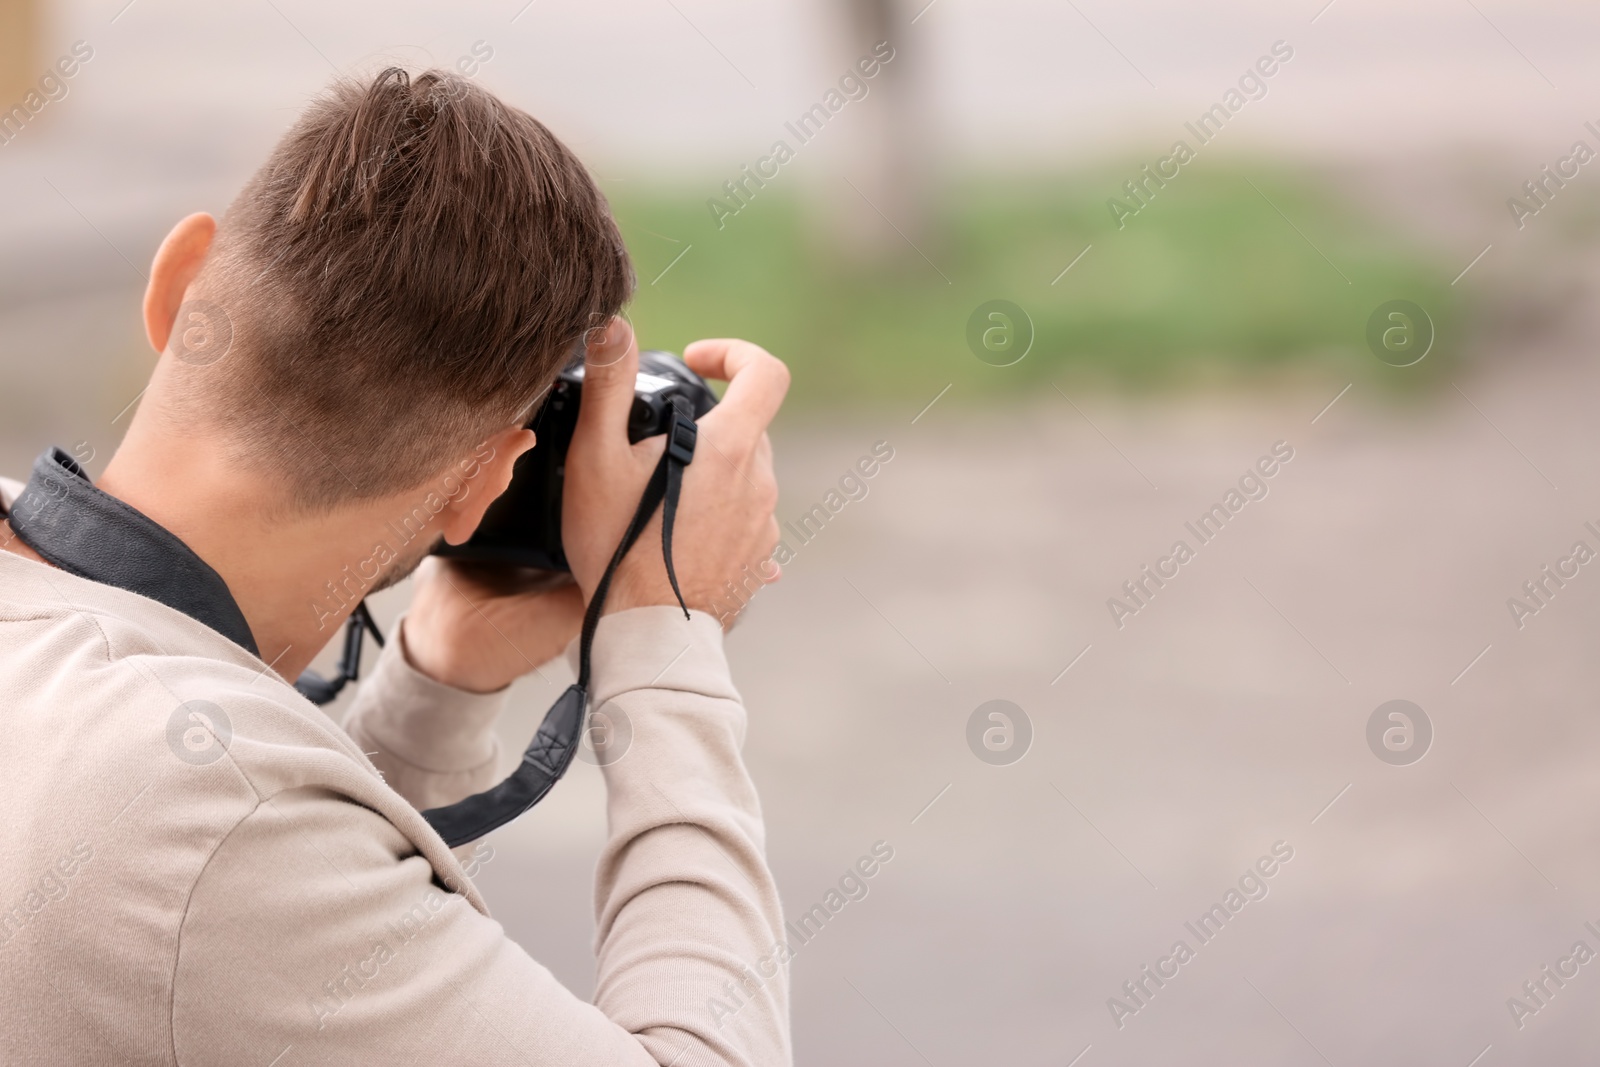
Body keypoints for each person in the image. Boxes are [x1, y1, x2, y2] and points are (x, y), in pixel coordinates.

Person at [0, 67, 792, 1065]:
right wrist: (664, 637)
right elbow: (227, 880)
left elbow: (244, 974)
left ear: (176, 283)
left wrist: (438, 682)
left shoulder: (176, 786)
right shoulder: (217, 820)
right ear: (485, 482)